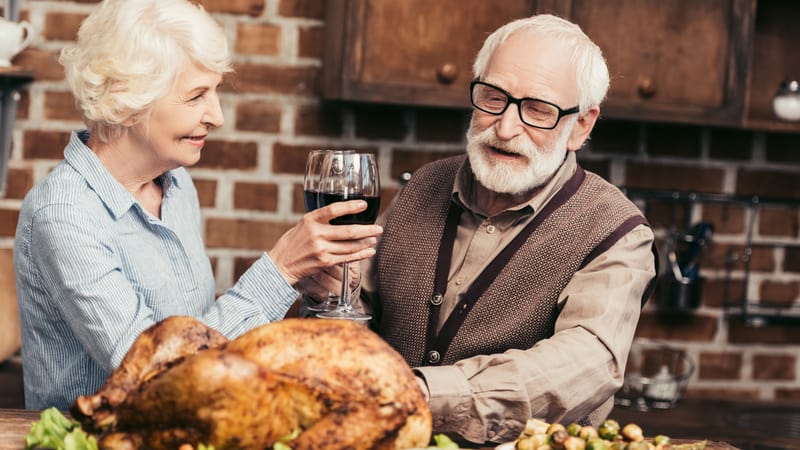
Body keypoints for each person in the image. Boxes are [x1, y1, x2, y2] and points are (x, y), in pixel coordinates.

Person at [13, 0, 382, 411]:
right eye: (196, 96)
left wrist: (305, 287)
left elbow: (201, 342)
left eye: (215, 92)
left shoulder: (177, 187)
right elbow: (157, 379)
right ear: (127, 98)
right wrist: (280, 270)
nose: (217, 116)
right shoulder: (64, 214)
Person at [357, 14, 657, 445]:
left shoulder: (618, 231)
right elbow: (352, 314)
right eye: (493, 98)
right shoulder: (422, 185)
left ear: (582, 126)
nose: (506, 127)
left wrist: (420, 395)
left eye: (538, 110)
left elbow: (587, 361)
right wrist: (322, 296)